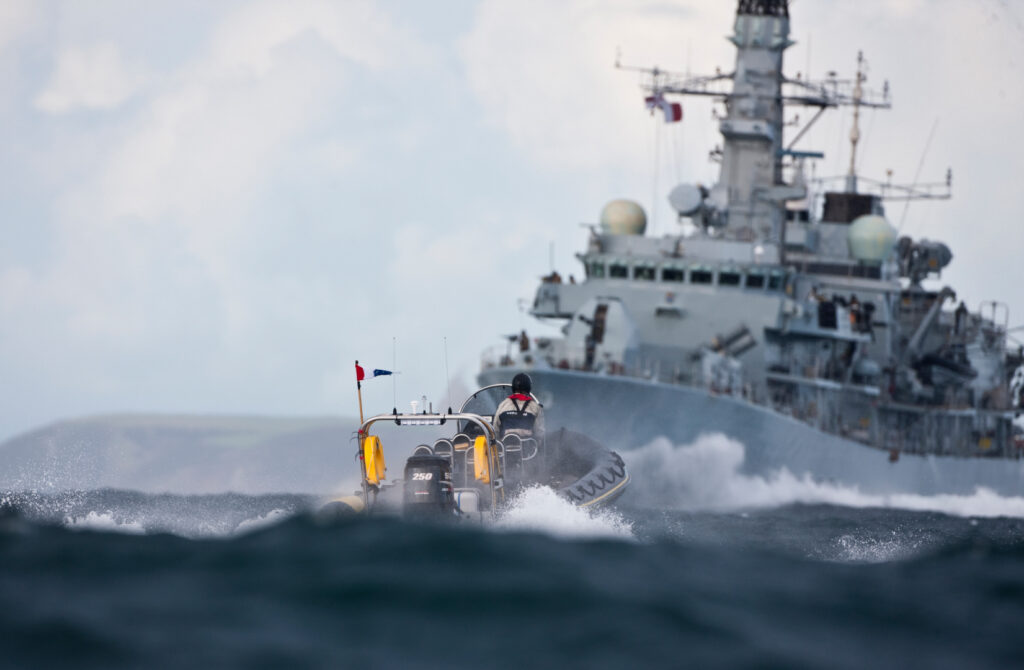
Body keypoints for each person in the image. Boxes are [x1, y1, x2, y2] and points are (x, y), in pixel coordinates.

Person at [493, 373, 545, 445]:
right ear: (528, 387)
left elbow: (495, 429)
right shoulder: (535, 407)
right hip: (528, 451)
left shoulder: (503, 405)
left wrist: (499, 446)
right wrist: (538, 446)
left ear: (513, 387)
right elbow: (539, 432)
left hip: (506, 448)